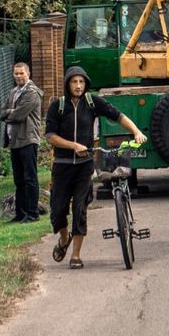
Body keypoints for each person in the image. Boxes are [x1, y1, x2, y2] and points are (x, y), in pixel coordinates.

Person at [44, 65, 146, 269]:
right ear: (67, 84)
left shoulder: (92, 103)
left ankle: (76, 255)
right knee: (58, 210)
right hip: (62, 166)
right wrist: (73, 146)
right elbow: (50, 136)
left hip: (84, 166)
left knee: (80, 208)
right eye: (74, 82)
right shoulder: (58, 106)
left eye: (82, 82)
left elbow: (116, 115)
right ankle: (64, 240)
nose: (78, 86)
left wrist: (136, 131)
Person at [1, 61, 44, 222]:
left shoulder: (32, 93)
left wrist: (10, 113)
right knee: (19, 179)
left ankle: (32, 213)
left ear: (28, 74)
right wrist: (11, 112)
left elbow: (18, 116)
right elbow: (1, 113)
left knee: (30, 178)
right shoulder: (13, 92)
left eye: (22, 73)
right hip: (14, 140)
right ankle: (20, 213)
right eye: (16, 73)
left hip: (27, 139)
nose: (19, 76)